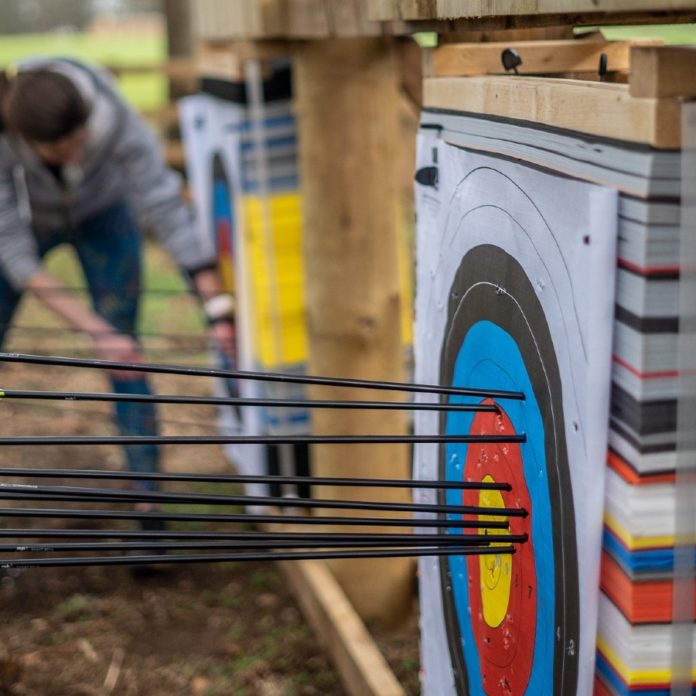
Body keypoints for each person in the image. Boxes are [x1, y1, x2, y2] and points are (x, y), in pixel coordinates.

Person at [0, 57, 235, 513]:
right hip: (28, 227)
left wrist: (216, 308)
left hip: (106, 216)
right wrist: (94, 330)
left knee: (126, 354)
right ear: (26, 141)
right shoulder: (5, 131)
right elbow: (14, 252)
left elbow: (164, 204)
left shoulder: (114, 116)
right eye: (58, 152)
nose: (74, 157)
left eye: (79, 143)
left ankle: (148, 504)